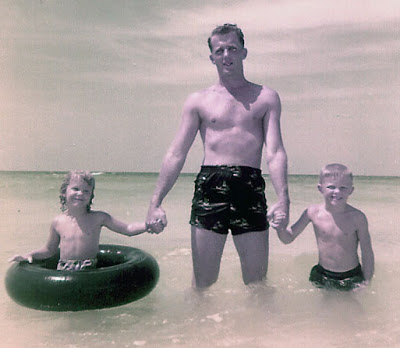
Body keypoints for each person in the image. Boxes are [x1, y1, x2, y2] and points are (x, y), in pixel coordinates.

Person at [146, 24, 290, 288]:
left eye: (232, 48)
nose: (226, 55)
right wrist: (156, 202)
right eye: (219, 50)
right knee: (203, 282)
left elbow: (275, 151)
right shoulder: (198, 101)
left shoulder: (266, 98)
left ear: (244, 52)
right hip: (210, 184)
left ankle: (259, 329)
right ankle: (201, 329)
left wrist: (284, 199)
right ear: (211, 57)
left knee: (257, 281)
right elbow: (177, 152)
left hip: (249, 185)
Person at [10, 170, 163, 271]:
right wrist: (30, 254)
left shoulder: (99, 218)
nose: (80, 194)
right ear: (64, 192)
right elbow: (49, 250)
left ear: (91, 196)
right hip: (63, 269)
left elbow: (128, 229)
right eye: (75, 189)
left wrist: (148, 225)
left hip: (89, 269)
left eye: (86, 191)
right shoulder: (57, 222)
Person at [271, 163, 374, 291]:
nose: (337, 191)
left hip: (351, 276)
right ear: (320, 188)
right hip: (322, 274)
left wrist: (367, 281)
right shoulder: (312, 213)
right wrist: (280, 228)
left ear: (351, 190)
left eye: (343, 187)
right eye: (331, 187)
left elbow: (367, 252)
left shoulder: (358, 217)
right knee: (322, 309)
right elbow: (287, 238)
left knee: (351, 309)